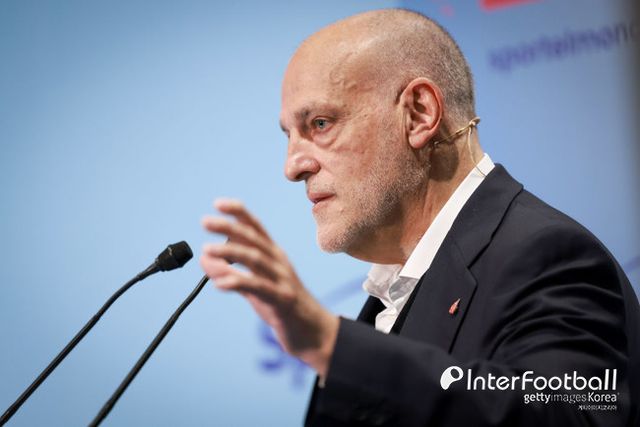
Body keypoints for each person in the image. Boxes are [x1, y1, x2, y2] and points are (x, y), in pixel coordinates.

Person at [200, 8, 640, 426]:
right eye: (289, 135)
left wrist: (330, 345)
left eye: (319, 124)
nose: (292, 166)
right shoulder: (391, 297)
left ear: (419, 114)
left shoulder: (547, 256)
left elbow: (567, 417)